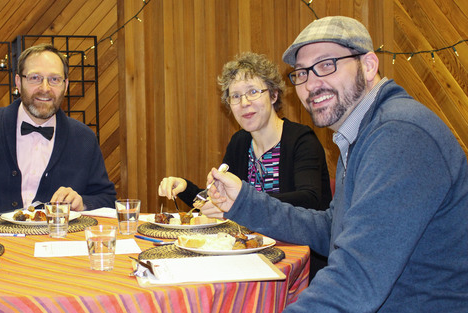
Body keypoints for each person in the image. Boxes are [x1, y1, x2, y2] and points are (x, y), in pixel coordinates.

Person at [197, 16, 468, 312]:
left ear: (368, 65)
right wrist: (243, 201)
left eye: (327, 65)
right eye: (301, 73)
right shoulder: (359, 134)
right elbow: (331, 229)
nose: (312, 84)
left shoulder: (399, 133)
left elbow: (356, 280)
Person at [158, 52, 332, 279]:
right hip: (251, 257)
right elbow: (221, 202)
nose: (244, 103)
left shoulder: (301, 140)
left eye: (253, 92)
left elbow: (310, 200)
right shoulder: (239, 142)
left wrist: (242, 203)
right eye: (236, 96)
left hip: (301, 263)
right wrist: (185, 187)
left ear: (273, 95)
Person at [0, 44, 116, 215]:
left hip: (57, 240)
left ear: (66, 85)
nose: (45, 88)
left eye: (54, 79)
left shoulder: (84, 138)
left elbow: (106, 199)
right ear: (18, 82)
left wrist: (82, 203)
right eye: (35, 78)